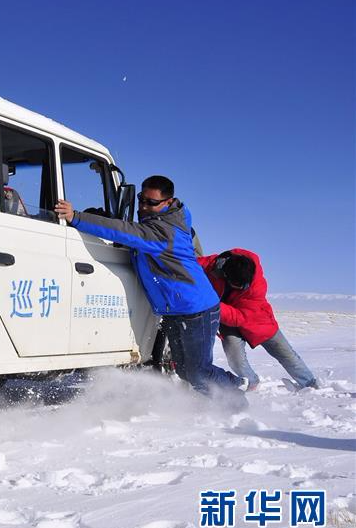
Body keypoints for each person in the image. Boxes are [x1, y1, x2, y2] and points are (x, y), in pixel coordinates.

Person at [55, 175, 247, 409]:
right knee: (186, 371)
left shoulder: (162, 232)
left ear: (168, 202)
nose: (144, 207)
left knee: (198, 373)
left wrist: (77, 217)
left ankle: (235, 395)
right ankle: (227, 392)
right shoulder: (168, 220)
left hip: (197, 309)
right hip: (177, 310)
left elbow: (122, 231)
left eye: (151, 203)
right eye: (141, 200)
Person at [198, 249, 319, 391]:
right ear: (225, 274)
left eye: (245, 285)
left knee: (286, 354)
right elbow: (186, 266)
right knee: (235, 359)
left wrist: (211, 303)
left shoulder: (255, 285)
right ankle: (252, 382)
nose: (244, 288)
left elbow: (239, 318)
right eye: (239, 286)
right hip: (227, 322)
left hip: (258, 322)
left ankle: (310, 385)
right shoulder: (210, 267)